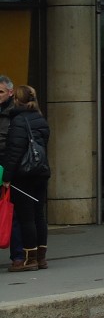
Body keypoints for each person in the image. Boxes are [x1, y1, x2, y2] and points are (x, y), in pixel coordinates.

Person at [1, 85, 50, 272]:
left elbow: (14, 151)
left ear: (16, 99)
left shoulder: (18, 120)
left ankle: (30, 260)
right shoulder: (40, 118)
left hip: (24, 175)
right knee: (39, 215)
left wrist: (7, 177)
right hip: (41, 171)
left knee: (26, 217)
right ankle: (41, 258)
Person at [0, 75, 21, 269]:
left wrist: (8, 173)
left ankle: (17, 255)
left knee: (11, 211)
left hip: (9, 167)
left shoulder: (15, 114)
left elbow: (13, 146)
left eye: (0, 92)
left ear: (10, 92)